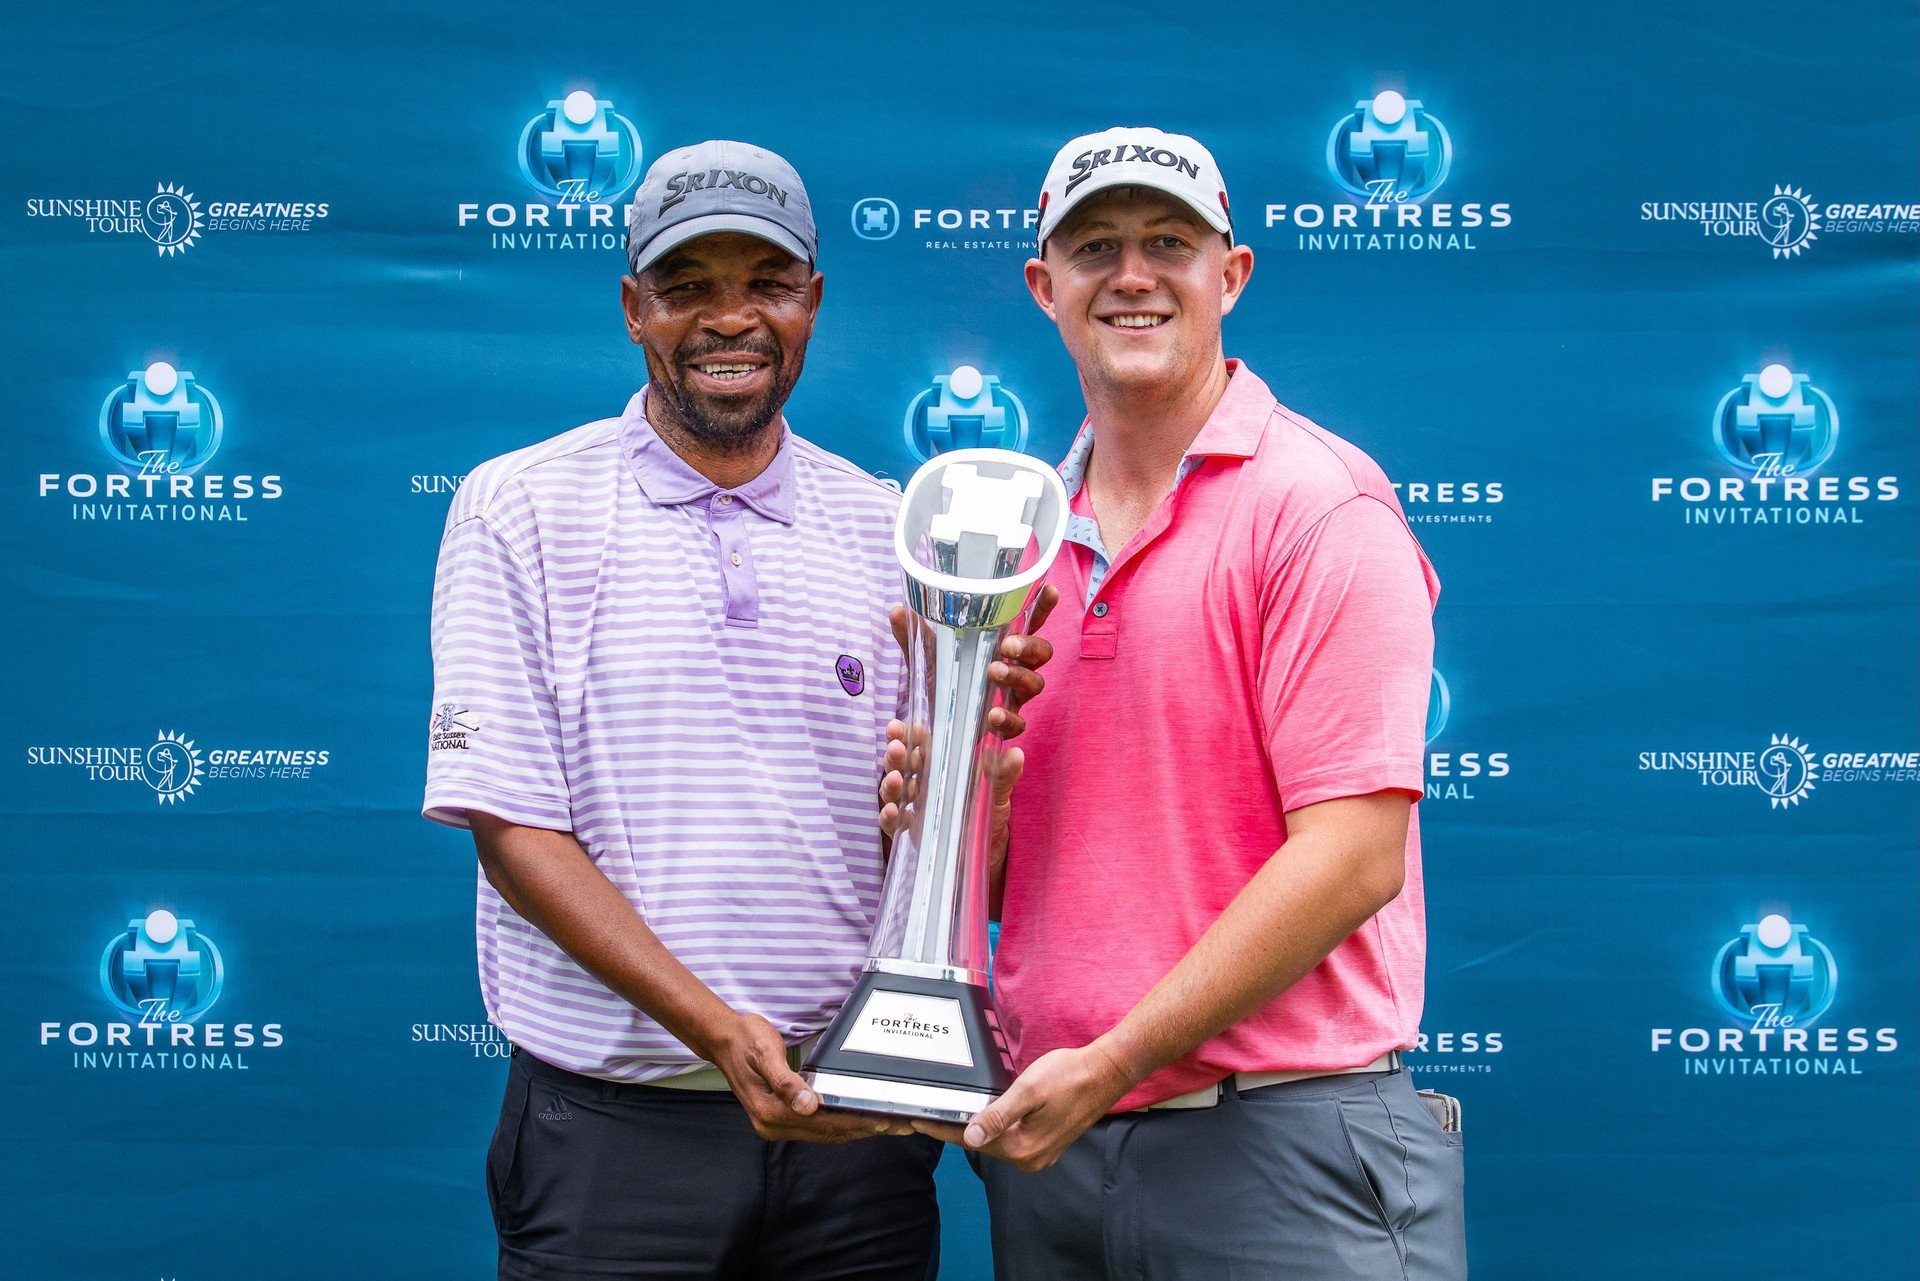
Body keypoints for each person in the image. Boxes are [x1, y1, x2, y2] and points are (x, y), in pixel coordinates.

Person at [424, 138, 1050, 1281]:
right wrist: (717, 1030)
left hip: (858, 1132)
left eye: (764, 283)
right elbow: (511, 830)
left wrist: (975, 766)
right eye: (687, 286)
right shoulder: (517, 507)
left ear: (811, 303)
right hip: (617, 1133)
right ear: (632, 309)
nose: (730, 319)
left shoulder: (888, 529)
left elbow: (926, 855)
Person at [918, 127, 1468, 1278]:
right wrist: (970, 799)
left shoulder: (1320, 510)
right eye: (1095, 246)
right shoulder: (1011, 543)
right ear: (1044, 286)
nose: (1131, 275)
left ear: (1233, 274)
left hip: (1281, 1143)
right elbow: (1029, 882)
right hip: (1057, 1151)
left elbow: (1354, 858)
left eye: (1169, 243)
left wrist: (1113, 1061)